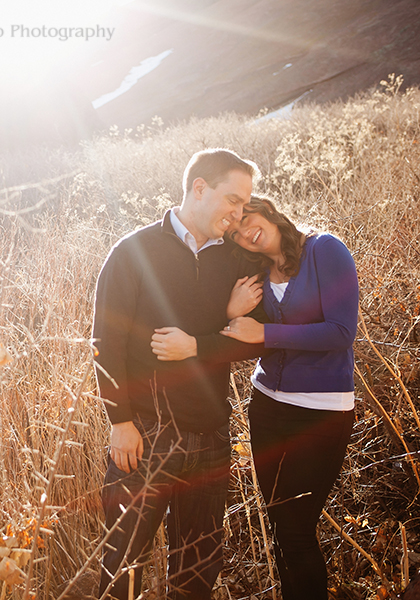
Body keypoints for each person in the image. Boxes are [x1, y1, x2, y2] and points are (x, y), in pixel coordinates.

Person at [92, 148, 268, 599]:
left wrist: (199, 344)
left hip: (210, 437)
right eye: (232, 199)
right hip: (145, 437)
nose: (238, 213)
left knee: (196, 577)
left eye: (245, 204)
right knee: (121, 570)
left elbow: (257, 340)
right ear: (199, 188)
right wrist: (120, 422)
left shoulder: (235, 260)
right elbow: (105, 344)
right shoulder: (133, 252)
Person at [217, 196, 359, 599]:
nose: (245, 232)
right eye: (235, 233)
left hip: (321, 413)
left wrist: (266, 334)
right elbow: (237, 334)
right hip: (266, 407)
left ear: (266, 208)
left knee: (296, 530)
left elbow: (340, 332)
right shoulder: (257, 273)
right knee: (280, 526)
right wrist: (231, 311)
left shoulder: (324, 250)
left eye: (246, 218)